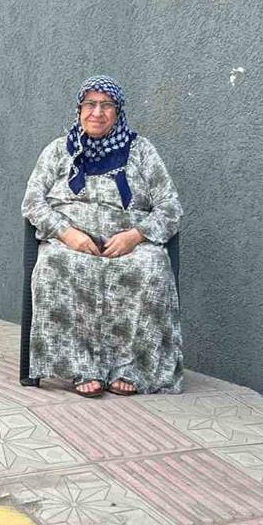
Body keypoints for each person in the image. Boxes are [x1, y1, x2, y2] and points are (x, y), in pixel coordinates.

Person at [21, 75, 183, 398]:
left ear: (118, 111)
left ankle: (132, 369)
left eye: (106, 105)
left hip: (127, 246)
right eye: (90, 104)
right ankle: (80, 368)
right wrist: (67, 235)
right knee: (52, 264)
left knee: (152, 267)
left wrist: (135, 236)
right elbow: (32, 202)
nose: (97, 112)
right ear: (79, 110)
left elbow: (170, 207)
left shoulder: (141, 150)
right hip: (71, 245)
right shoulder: (58, 151)